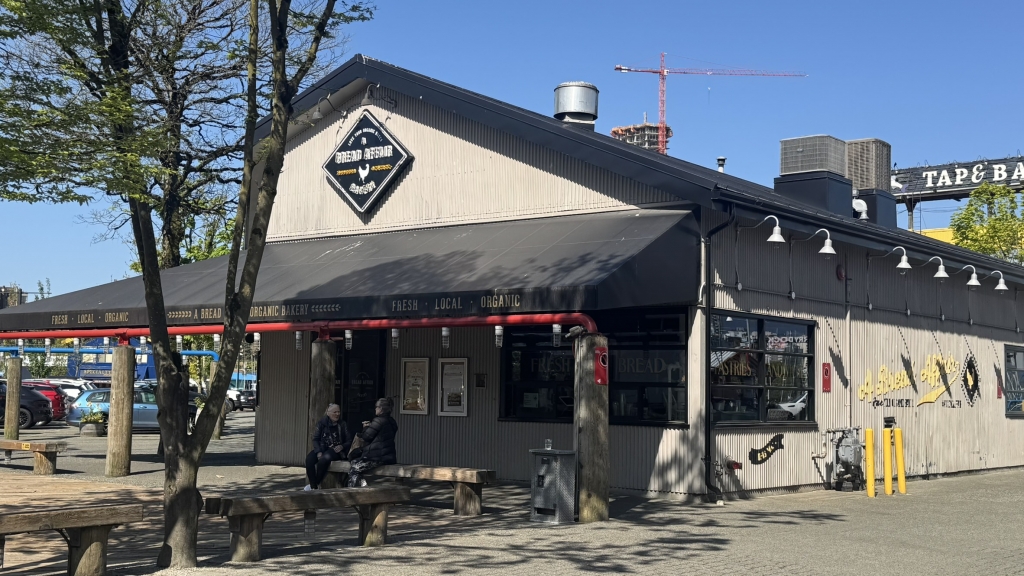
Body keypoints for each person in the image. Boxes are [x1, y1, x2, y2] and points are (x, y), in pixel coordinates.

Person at [347, 397, 398, 487]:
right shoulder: (392, 421)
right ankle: (364, 486)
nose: (375, 409)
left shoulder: (378, 420)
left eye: (376, 407)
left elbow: (366, 437)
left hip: (378, 457)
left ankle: (352, 492)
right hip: (389, 456)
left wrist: (366, 428)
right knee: (354, 461)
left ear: (381, 409)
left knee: (354, 469)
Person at [305, 403, 351, 491]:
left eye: (338, 412)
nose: (337, 414)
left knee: (324, 460)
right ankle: (313, 486)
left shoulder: (342, 424)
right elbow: (315, 439)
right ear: (328, 413)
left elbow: (349, 441)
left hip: (336, 450)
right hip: (322, 448)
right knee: (309, 460)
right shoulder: (321, 423)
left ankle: (315, 485)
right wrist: (318, 451)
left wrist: (342, 446)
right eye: (335, 412)